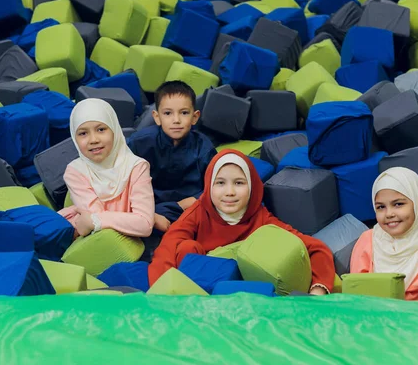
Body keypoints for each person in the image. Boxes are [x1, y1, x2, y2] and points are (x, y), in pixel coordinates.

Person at [148, 149, 335, 294]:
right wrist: (164, 293)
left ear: (252, 187)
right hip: (198, 287)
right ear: (209, 186)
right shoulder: (198, 212)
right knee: (185, 247)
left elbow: (314, 247)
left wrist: (318, 289)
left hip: (240, 293)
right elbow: (167, 248)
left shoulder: (261, 218)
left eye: (239, 183)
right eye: (220, 183)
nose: (229, 192)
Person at [127, 81, 216, 260]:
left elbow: (216, 184)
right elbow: (122, 181)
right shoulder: (139, 143)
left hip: (191, 207)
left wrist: (186, 204)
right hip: (150, 208)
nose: (176, 120)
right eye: (168, 113)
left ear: (195, 116)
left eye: (184, 113)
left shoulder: (203, 147)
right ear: (157, 117)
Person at [58, 98, 155, 239]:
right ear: (74, 137)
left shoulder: (136, 167)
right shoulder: (75, 171)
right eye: (83, 133)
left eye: (101, 129)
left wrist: (95, 220)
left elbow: (144, 225)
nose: (93, 139)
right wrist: (134, 218)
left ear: (114, 130)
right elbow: (92, 219)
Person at [350, 167, 418, 301]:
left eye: (398, 204)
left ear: (417, 204)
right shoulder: (368, 240)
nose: (389, 214)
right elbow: (356, 293)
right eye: (381, 207)